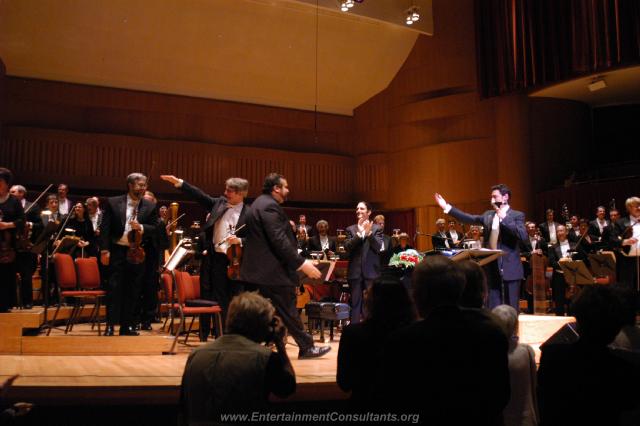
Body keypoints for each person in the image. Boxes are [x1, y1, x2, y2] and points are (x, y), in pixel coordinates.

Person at [376, 256, 510, 425]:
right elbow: (500, 397)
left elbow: (390, 403)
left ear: (418, 295)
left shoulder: (400, 342)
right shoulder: (492, 334)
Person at [240, 173, 330, 359]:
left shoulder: (259, 203)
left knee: (259, 313)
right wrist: (301, 263)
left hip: (259, 272)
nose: (288, 190)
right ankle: (306, 347)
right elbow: (279, 240)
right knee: (288, 309)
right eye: (286, 186)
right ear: (276, 189)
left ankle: (249, 347)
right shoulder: (269, 206)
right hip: (271, 273)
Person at [180, 292, 296, 424]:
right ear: (261, 325)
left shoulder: (195, 355)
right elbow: (287, 388)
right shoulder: (264, 358)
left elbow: (183, 409)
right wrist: (280, 344)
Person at [161, 174, 250, 338]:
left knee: (234, 300)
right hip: (215, 259)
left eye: (229, 191)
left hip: (235, 262)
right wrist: (180, 183)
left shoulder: (250, 214)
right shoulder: (218, 204)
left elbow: (255, 238)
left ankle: (231, 334)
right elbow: (199, 195)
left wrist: (240, 240)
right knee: (218, 298)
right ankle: (218, 334)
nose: (225, 193)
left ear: (240, 193)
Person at [537, 286, 640, 426]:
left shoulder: (552, 356)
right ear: (615, 330)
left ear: (578, 321)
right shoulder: (624, 369)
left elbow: (544, 406)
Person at [435, 184, 528, 310]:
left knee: (511, 309)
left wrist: (505, 218)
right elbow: (469, 218)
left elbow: (523, 236)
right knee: (492, 308)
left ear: (505, 197)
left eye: (495, 196)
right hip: (492, 266)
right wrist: (447, 207)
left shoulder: (517, 215)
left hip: (510, 267)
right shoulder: (488, 215)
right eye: (491, 197)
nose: (492, 199)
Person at [337, 275, 416, 407]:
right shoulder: (415, 333)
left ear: (372, 302)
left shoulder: (352, 333)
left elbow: (344, 384)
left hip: (364, 406)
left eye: (367, 292)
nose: (364, 293)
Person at [99, 173, 158, 336]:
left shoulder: (149, 206)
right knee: (113, 288)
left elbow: (155, 229)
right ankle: (110, 325)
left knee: (133, 290)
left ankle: (127, 326)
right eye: (139, 185)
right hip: (117, 250)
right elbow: (105, 228)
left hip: (137, 253)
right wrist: (104, 250)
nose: (143, 187)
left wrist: (142, 227)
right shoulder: (113, 202)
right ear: (130, 185)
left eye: (144, 185)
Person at [492, 305, 539, 426]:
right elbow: (534, 387)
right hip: (525, 419)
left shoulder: (487, 355)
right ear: (515, 327)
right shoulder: (526, 351)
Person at [344, 201, 384, 324]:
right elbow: (347, 247)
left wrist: (368, 233)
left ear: (369, 212)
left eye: (362, 208)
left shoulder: (377, 229)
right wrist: (359, 233)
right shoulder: (350, 229)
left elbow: (378, 247)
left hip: (371, 272)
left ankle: (372, 332)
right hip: (355, 273)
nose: (358, 211)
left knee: (371, 305)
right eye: (357, 209)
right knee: (355, 304)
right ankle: (355, 333)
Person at [10, 185, 42, 309]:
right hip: (11, 245)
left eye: (13, 192)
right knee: (9, 275)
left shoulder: (33, 206)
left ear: (22, 193)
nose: (11, 193)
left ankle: (27, 302)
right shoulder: (8, 206)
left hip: (27, 245)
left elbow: (40, 225)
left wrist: (30, 224)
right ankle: (11, 302)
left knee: (26, 276)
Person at [0, 168, 24, 313]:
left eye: (0, 182)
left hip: (6, 245)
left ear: (7, 183)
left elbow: (22, 221)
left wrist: (6, 225)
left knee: (4, 275)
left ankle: (4, 304)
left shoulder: (14, 201)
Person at [609, 196, 640, 292]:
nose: (639, 208)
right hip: (628, 261)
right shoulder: (621, 222)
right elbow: (612, 239)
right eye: (636, 206)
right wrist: (624, 241)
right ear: (629, 208)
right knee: (629, 289)